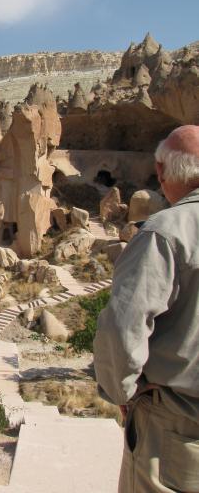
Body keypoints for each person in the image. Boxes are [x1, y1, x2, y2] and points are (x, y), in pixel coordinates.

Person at [93, 124, 199, 493]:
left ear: (162, 171)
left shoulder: (165, 233)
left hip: (177, 433)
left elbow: (123, 328)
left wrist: (121, 393)